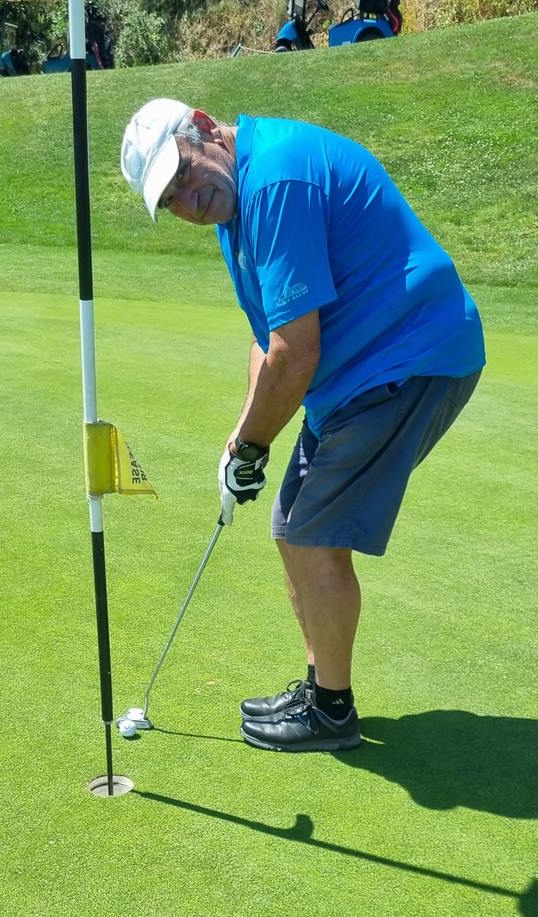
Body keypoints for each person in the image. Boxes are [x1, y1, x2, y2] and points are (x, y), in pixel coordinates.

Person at [120, 100, 485, 753]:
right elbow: (267, 341)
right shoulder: (238, 212)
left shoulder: (277, 180)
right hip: (365, 370)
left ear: (203, 128)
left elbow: (296, 354)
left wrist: (254, 445)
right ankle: (322, 690)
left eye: (184, 174)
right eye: (170, 199)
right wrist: (239, 440)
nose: (188, 200)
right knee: (293, 525)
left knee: (312, 533)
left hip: (408, 356)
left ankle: (332, 713)